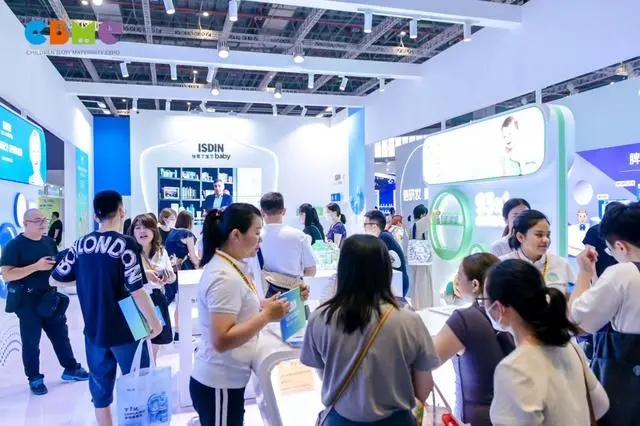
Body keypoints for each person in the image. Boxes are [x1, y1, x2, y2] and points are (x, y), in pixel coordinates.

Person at [300, 234, 440, 425]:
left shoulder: (320, 318)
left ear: (343, 269)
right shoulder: (409, 320)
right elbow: (425, 384)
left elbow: (324, 375)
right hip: (397, 421)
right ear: (386, 270)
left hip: (341, 420)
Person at [50, 190, 161, 426]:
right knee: (137, 384)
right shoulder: (126, 243)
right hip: (129, 323)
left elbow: (55, 278)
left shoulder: (80, 244)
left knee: (100, 390)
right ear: (122, 211)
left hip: (94, 326)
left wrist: (86, 279)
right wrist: (155, 323)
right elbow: (137, 290)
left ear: (95, 216)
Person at [190, 204, 291, 426]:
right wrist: (266, 316)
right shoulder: (224, 276)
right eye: (257, 232)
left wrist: (267, 306)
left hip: (225, 382)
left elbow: (238, 307)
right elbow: (221, 340)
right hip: (219, 383)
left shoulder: (231, 266)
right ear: (236, 235)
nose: (260, 239)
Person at [483, 259, 609, 425]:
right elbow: (601, 404)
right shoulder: (569, 347)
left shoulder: (514, 368)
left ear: (499, 308)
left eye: (483, 300)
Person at [0, 209, 87, 395]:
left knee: (61, 335)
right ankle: (34, 378)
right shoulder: (15, 245)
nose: (42, 223)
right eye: (37, 220)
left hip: (49, 298)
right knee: (31, 341)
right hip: (27, 301)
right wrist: (35, 267)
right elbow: (6, 274)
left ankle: (71, 368)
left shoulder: (49, 242)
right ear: (26, 223)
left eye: (44, 220)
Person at [570, 201, 640, 425]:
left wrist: (584, 272)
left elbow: (577, 322)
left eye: (610, 250)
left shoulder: (623, 273)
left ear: (621, 246)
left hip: (629, 390)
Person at [433, 253, 512, 425]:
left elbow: (428, 359)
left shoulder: (464, 320)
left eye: (459, 275)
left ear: (475, 284)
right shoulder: (511, 313)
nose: (456, 281)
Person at [129, 213, 176, 360]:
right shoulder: (129, 252)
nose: (142, 231)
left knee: (156, 342)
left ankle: (152, 367)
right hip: (134, 300)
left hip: (157, 298)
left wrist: (169, 277)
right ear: (132, 232)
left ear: (154, 230)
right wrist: (145, 274)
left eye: (146, 227)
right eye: (138, 228)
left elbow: (172, 275)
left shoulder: (162, 251)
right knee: (138, 343)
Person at [500, 209, 575, 294]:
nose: (546, 240)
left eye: (548, 235)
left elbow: (575, 297)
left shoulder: (562, 264)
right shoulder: (503, 265)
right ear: (520, 237)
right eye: (539, 235)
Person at [259, 193, 316, 298]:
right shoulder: (299, 236)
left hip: (265, 294)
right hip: (294, 293)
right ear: (284, 211)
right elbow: (311, 270)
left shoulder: (256, 236)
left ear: (261, 212)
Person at [164, 210, 200, 342]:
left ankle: (177, 333)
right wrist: (200, 264)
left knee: (172, 301)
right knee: (184, 304)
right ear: (190, 221)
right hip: (185, 271)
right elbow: (193, 257)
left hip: (171, 270)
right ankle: (181, 334)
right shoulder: (188, 234)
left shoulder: (171, 233)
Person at [363, 210, 410, 298]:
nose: (364, 228)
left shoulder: (383, 238)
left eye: (365, 224)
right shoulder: (384, 237)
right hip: (394, 282)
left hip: (396, 283)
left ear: (374, 226)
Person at [580, 201, 621, 277]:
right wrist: (594, 279)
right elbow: (590, 257)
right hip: (601, 275)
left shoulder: (623, 231)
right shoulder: (594, 231)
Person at [409, 204, 434, 309]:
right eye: (425, 214)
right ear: (422, 214)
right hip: (422, 258)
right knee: (423, 281)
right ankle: (423, 304)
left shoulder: (414, 225)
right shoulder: (419, 224)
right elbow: (432, 218)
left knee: (418, 280)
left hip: (416, 257)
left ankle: (417, 303)